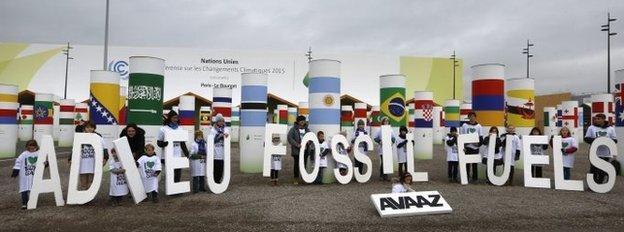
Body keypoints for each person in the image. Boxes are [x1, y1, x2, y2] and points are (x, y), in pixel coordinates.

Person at [69, 121, 108, 190]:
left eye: (91, 127)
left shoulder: (98, 137)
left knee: (92, 181)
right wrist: (70, 159)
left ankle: (89, 198)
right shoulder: (80, 137)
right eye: (87, 127)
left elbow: (104, 148)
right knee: (83, 181)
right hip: (82, 164)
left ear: (94, 128)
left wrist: (105, 158)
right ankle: (84, 197)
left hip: (93, 163)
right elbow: (74, 149)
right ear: (84, 128)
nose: (89, 129)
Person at [157, 110, 189, 183]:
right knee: (170, 173)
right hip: (167, 155)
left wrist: (186, 153)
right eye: (174, 118)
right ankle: (170, 191)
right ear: (169, 118)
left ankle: (176, 190)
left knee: (178, 173)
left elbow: (182, 143)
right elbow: (159, 143)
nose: (175, 119)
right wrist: (165, 144)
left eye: (176, 118)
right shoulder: (163, 129)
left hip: (177, 155)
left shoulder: (180, 128)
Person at [584, 113, 617, 184]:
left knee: (603, 169)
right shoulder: (591, 128)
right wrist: (596, 140)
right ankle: (593, 184)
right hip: (594, 153)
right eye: (595, 119)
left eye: (598, 119)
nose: (596, 120)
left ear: (603, 119)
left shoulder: (610, 129)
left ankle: (600, 183)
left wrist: (605, 140)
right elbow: (586, 139)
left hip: (606, 153)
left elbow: (615, 140)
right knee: (593, 169)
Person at [11, 140, 43, 209]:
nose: (31, 148)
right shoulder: (24, 154)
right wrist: (15, 172)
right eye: (30, 146)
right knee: (24, 189)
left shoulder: (39, 153)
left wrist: (46, 163)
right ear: (27, 147)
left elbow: (43, 161)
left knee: (34, 189)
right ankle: (24, 203)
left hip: (34, 175)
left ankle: (32, 202)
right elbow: (18, 162)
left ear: (36, 146)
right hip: (25, 176)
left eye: (33, 146)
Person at [460, 112, 483, 182]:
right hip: (467, 147)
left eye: (473, 116)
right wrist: (463, 145)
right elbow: (461, 136)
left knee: (474, 163)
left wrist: (478, 145)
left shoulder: (479, 126)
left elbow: (481, 137)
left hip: (475, 148)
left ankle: (475, 178)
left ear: (475, 117)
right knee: (466, 163)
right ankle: (466, 176)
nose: (472, 118)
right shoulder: (464, 125)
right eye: (470, 116)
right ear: (469, 117)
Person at [287, 115, 310, 184]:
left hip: (305, 150)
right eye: (301, 120)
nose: (302, 122)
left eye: (303, 120)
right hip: (297, 150)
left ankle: (304, 178)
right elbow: (290, 138)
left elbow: (311, 137)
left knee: (304, 164)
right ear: (298, 121)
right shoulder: (293, 129)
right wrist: (297, 145)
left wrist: (309, 142)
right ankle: (296, 178)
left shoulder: (307, 129)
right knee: (296, 164)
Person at [210, 114, 229, 183]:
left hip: (223, 154)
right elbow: (211, 140)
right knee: (215, 169)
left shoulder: (225, 128)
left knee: (221, 169)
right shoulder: (213, 129)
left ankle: (219, 181)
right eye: (220, 121)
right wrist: (218, 136)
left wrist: (225, 134)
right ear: (217, 122)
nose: (221, 122)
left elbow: (227, 133)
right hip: (215, 154)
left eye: (222, 121)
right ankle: (215, 181)